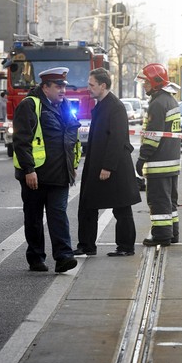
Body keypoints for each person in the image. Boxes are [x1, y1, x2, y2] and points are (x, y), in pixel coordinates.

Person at [12, 67, 81, 273]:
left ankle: (64, 257)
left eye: (64, 86)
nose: (62, 90)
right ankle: (35, 257)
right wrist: (28, 169)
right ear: (45, 87)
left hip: (60, 174)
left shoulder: (66, 106)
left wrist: (73, 165)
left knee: (58, 214)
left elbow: (72, 139)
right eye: (58, 86)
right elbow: (21, 141)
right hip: (36, 175)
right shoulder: (30, 105)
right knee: (33, 217)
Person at [74, 68, 141, 257]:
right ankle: (87, 245)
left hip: (113, 167)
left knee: (121, 207)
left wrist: (107, 167)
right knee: (88, 205)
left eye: (91, 84)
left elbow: (117, 139)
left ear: (103, 86)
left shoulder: (115, 106)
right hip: (97, 164)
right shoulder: (103, 105)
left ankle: (126, 246)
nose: (89, 88)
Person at [135, 63, 181, 247]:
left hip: (158, 163)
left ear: (155, 82)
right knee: (170, 201)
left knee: (158, 201)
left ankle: (161, 235)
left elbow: (153, 137)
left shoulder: (157, 104)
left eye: (146, 81)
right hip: (172, 162)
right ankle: (172, 233)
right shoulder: (170, 100)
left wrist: (142, 158)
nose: (144, 85)